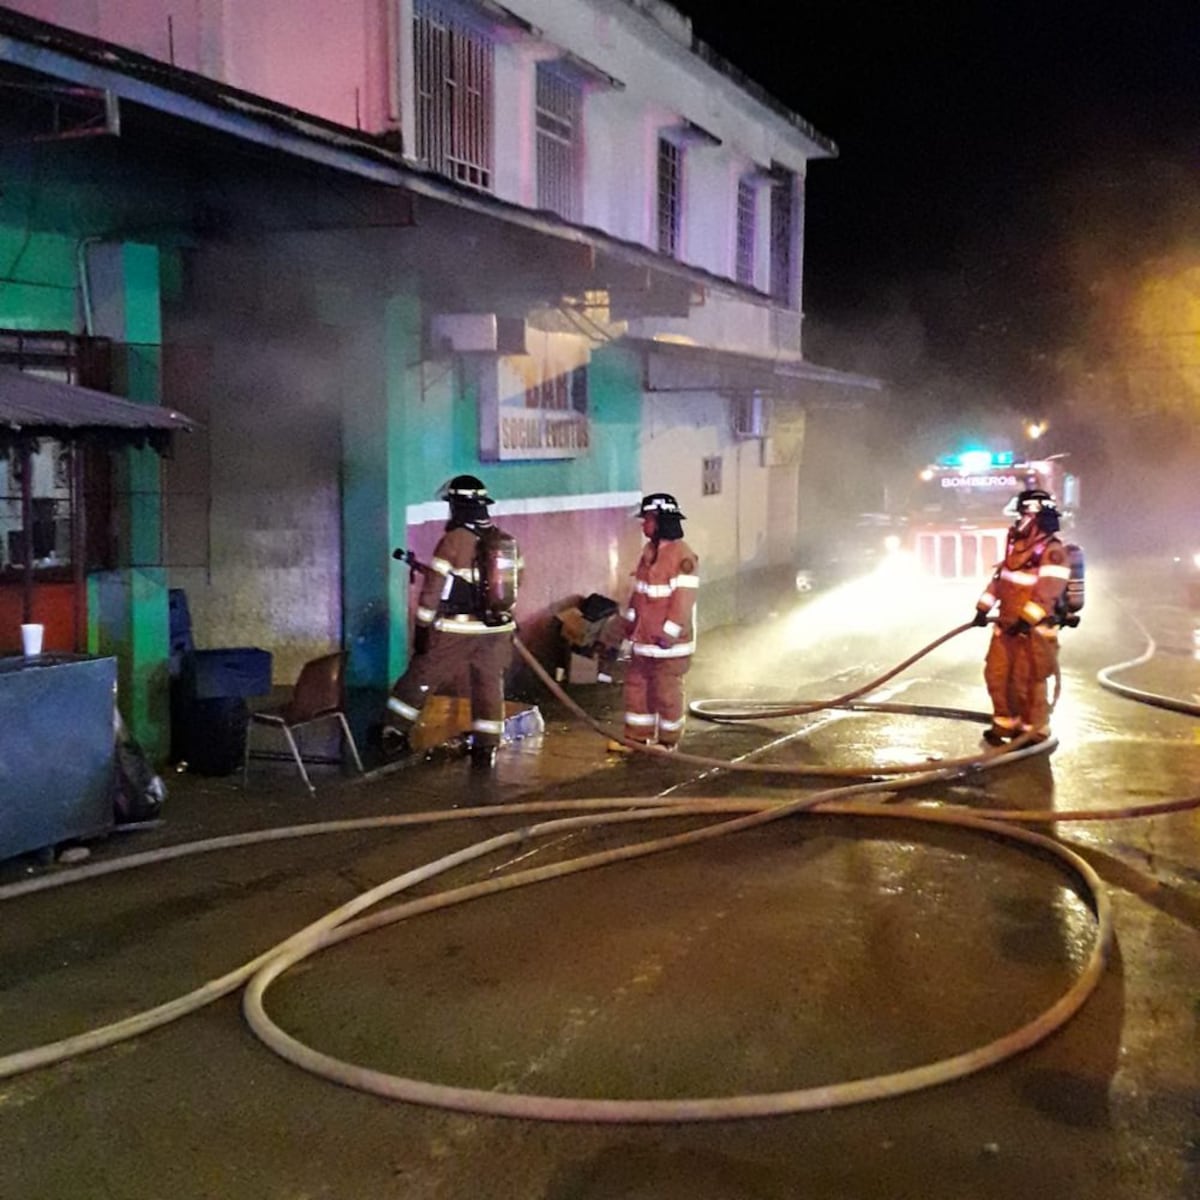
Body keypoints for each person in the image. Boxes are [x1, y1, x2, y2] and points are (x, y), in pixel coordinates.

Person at [381, 475, 520, 770]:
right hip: (498, 629)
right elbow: (517, 585)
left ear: (456, 506)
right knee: (488, 684)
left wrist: (422, 629)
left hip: (458, 628)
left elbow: (432, 591)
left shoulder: (453, 541)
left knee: (422, 674)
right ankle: (486, 745)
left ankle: (393, 732)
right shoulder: (506, 540)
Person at [971, 488, 1070, 745]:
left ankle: (1033, 731)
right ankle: (1005, 725)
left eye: (1023, 514)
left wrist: (1026, 620)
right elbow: (1001, 581)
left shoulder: (1052, 551)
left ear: (1035, 515)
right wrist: (983, 607)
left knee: (1028, 681)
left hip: (1034, 632)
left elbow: (1048, 592)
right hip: (1006, 628)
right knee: (997, 675)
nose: (1019, 520)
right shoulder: (1016, 547)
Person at [612, 492, 700, 752]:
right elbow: (639, 596)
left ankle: (668, 742)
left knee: (666, 694)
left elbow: (682, 602)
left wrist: (668, 635)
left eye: (647, 519)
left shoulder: (683, 557)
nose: (643, 524)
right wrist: (629, 626)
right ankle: (637, 738)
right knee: (637, 690)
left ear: (660, 520)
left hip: (668, 646)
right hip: (644, 642)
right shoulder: (649, 552)